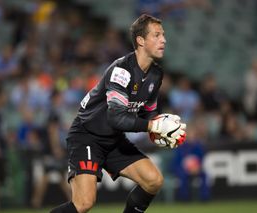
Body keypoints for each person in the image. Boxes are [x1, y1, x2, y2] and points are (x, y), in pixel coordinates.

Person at [50, 14, 186, 213]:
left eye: (163, 35)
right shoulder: (121, 71)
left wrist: (164, 128)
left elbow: (148, 113)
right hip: (87, 136)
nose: (163, 40)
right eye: (156, 35)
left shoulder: (156, 74)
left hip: (113, 139)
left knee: (153, 180)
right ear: (140, 40)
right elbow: (116, 117)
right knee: (84, 203)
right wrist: (153, 126)